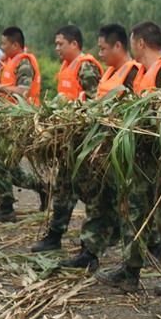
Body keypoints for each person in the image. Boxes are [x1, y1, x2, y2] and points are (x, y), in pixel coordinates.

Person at [96, 21, 161, 293]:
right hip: (141, 158)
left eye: (131, 42)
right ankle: (130, 270)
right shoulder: (139, 73)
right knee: (132, 209)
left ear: (140, 43)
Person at [52, 24, 138, 271]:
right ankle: (89, 252)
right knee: (101, 202)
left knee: (124, 208)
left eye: (103, 48)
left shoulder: (132, 74)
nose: (99, 54)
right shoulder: (110, 73)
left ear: (118, 46)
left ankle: (137, 264)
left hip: (120, 153)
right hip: (102, 151)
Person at [31, 25, 103, 253]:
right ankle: (54, 235)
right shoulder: (66, 67)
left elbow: (97, 106)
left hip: (84, 146)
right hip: (68, 145)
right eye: (56, 44)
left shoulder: (86, 68)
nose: (57, 48)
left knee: (93, 195)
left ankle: (91, 246)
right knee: (62, 190)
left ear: (74, 44)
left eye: (61, 43)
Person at [0, 27, 48, 223]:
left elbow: (23, 91)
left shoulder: (24, 62)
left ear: (15, 45)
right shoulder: (10, 62)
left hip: (22, 120)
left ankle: (6, 207)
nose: (1, 47)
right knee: (7, 166)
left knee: (0, 161)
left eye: (4, 43)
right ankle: (42, 187)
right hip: (9, 120)